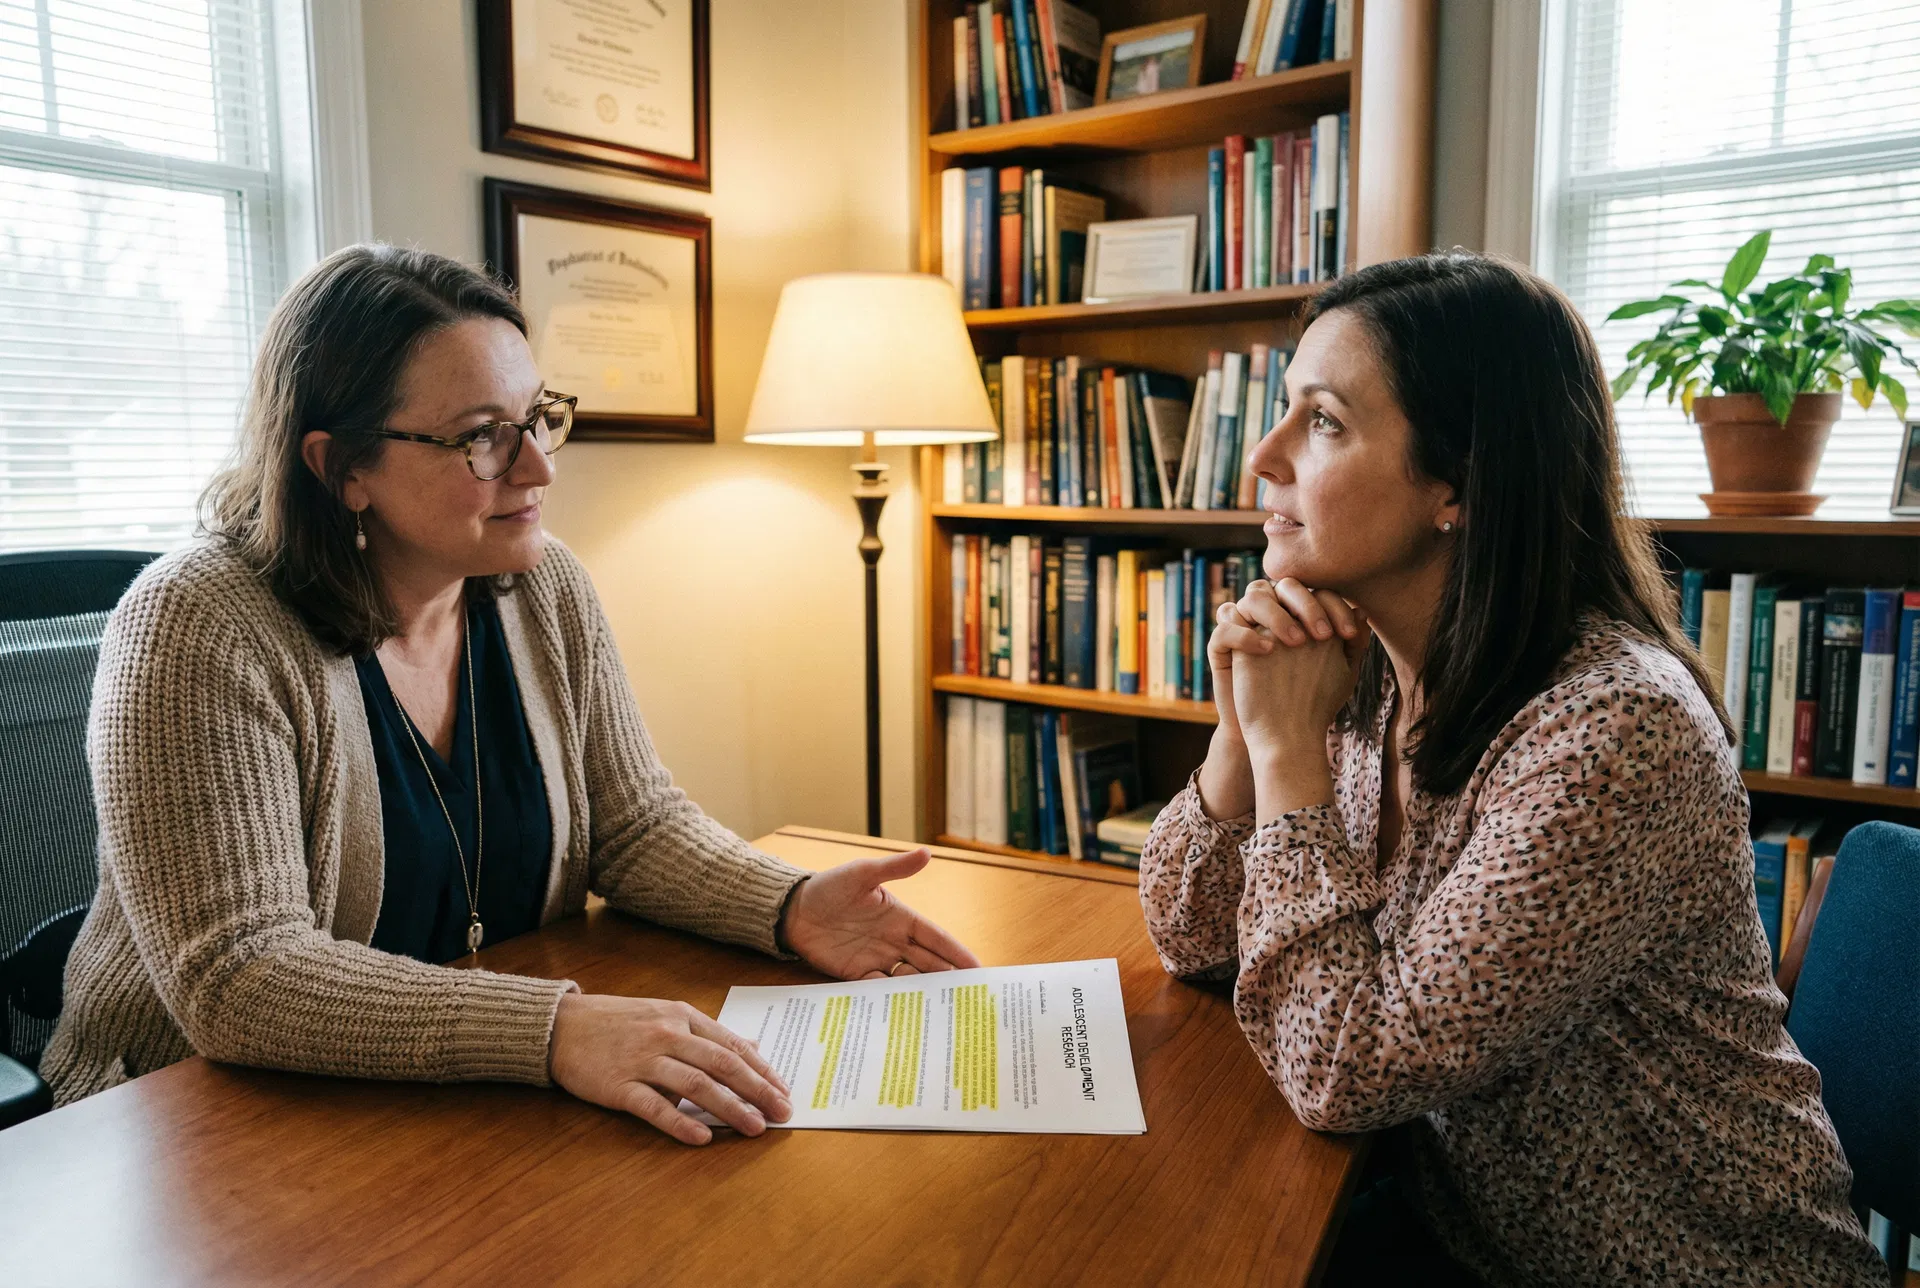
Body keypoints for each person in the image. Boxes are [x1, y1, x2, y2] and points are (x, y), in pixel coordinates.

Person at [43, 245, 979, 1145]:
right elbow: (241, 978)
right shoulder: (198, 626)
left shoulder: (542, 585)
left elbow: (634, 823)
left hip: (448, 1104)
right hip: (183, 1124)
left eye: (538, 417)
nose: (539, 467)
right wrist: (557, 1030)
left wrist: (789, 905)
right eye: (482, 437)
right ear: (340, 468)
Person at [1139, 252, 1885, 1286]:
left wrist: (1284, 756)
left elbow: (1345, 1068)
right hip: (1476, 1238)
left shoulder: (1612, 730)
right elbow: (1191, 933)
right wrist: (1240, 733)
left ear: (1460, 484)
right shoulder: (1366, 673)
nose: (1262, 458)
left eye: (1322, 422)